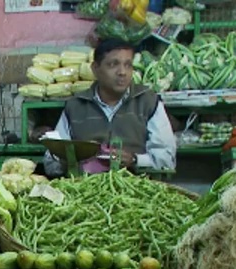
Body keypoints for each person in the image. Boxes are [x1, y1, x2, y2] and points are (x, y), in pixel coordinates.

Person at [43, 39, 176, 177]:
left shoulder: (148, 101)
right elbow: (51, 163)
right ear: (95, 69)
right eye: (113, 64)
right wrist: (68, 160)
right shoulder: (76, 106)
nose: (122, 72)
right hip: (87, 190)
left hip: (136, 189)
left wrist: (136, 160)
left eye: (128, 65)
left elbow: (166, 159)